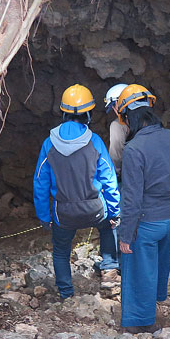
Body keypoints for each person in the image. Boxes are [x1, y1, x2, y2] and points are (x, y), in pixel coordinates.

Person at [116, 84, 170, 333]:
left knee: (138, 270)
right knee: (159, 265)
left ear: (128, 118)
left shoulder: (134, 149)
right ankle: (155, 301)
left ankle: (141, 324)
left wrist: (125, 235)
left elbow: (132, 198)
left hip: (147, 223)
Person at [33, 84, 121, 298]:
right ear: (88, 113)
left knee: (61, 250)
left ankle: (66, 293)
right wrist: (114, 212)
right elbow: (109, 178)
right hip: (95, 209)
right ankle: (109, 273)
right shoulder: (95, 141)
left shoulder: (48, 144)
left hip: (63, 214)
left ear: (63, 112)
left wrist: (45, 216)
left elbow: (40, 183)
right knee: (109, 228)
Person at [104, 83, 130, 178]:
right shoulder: (149, 120)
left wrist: (114, 174)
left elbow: (116, 155)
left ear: (117, 104)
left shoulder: (118, 125)